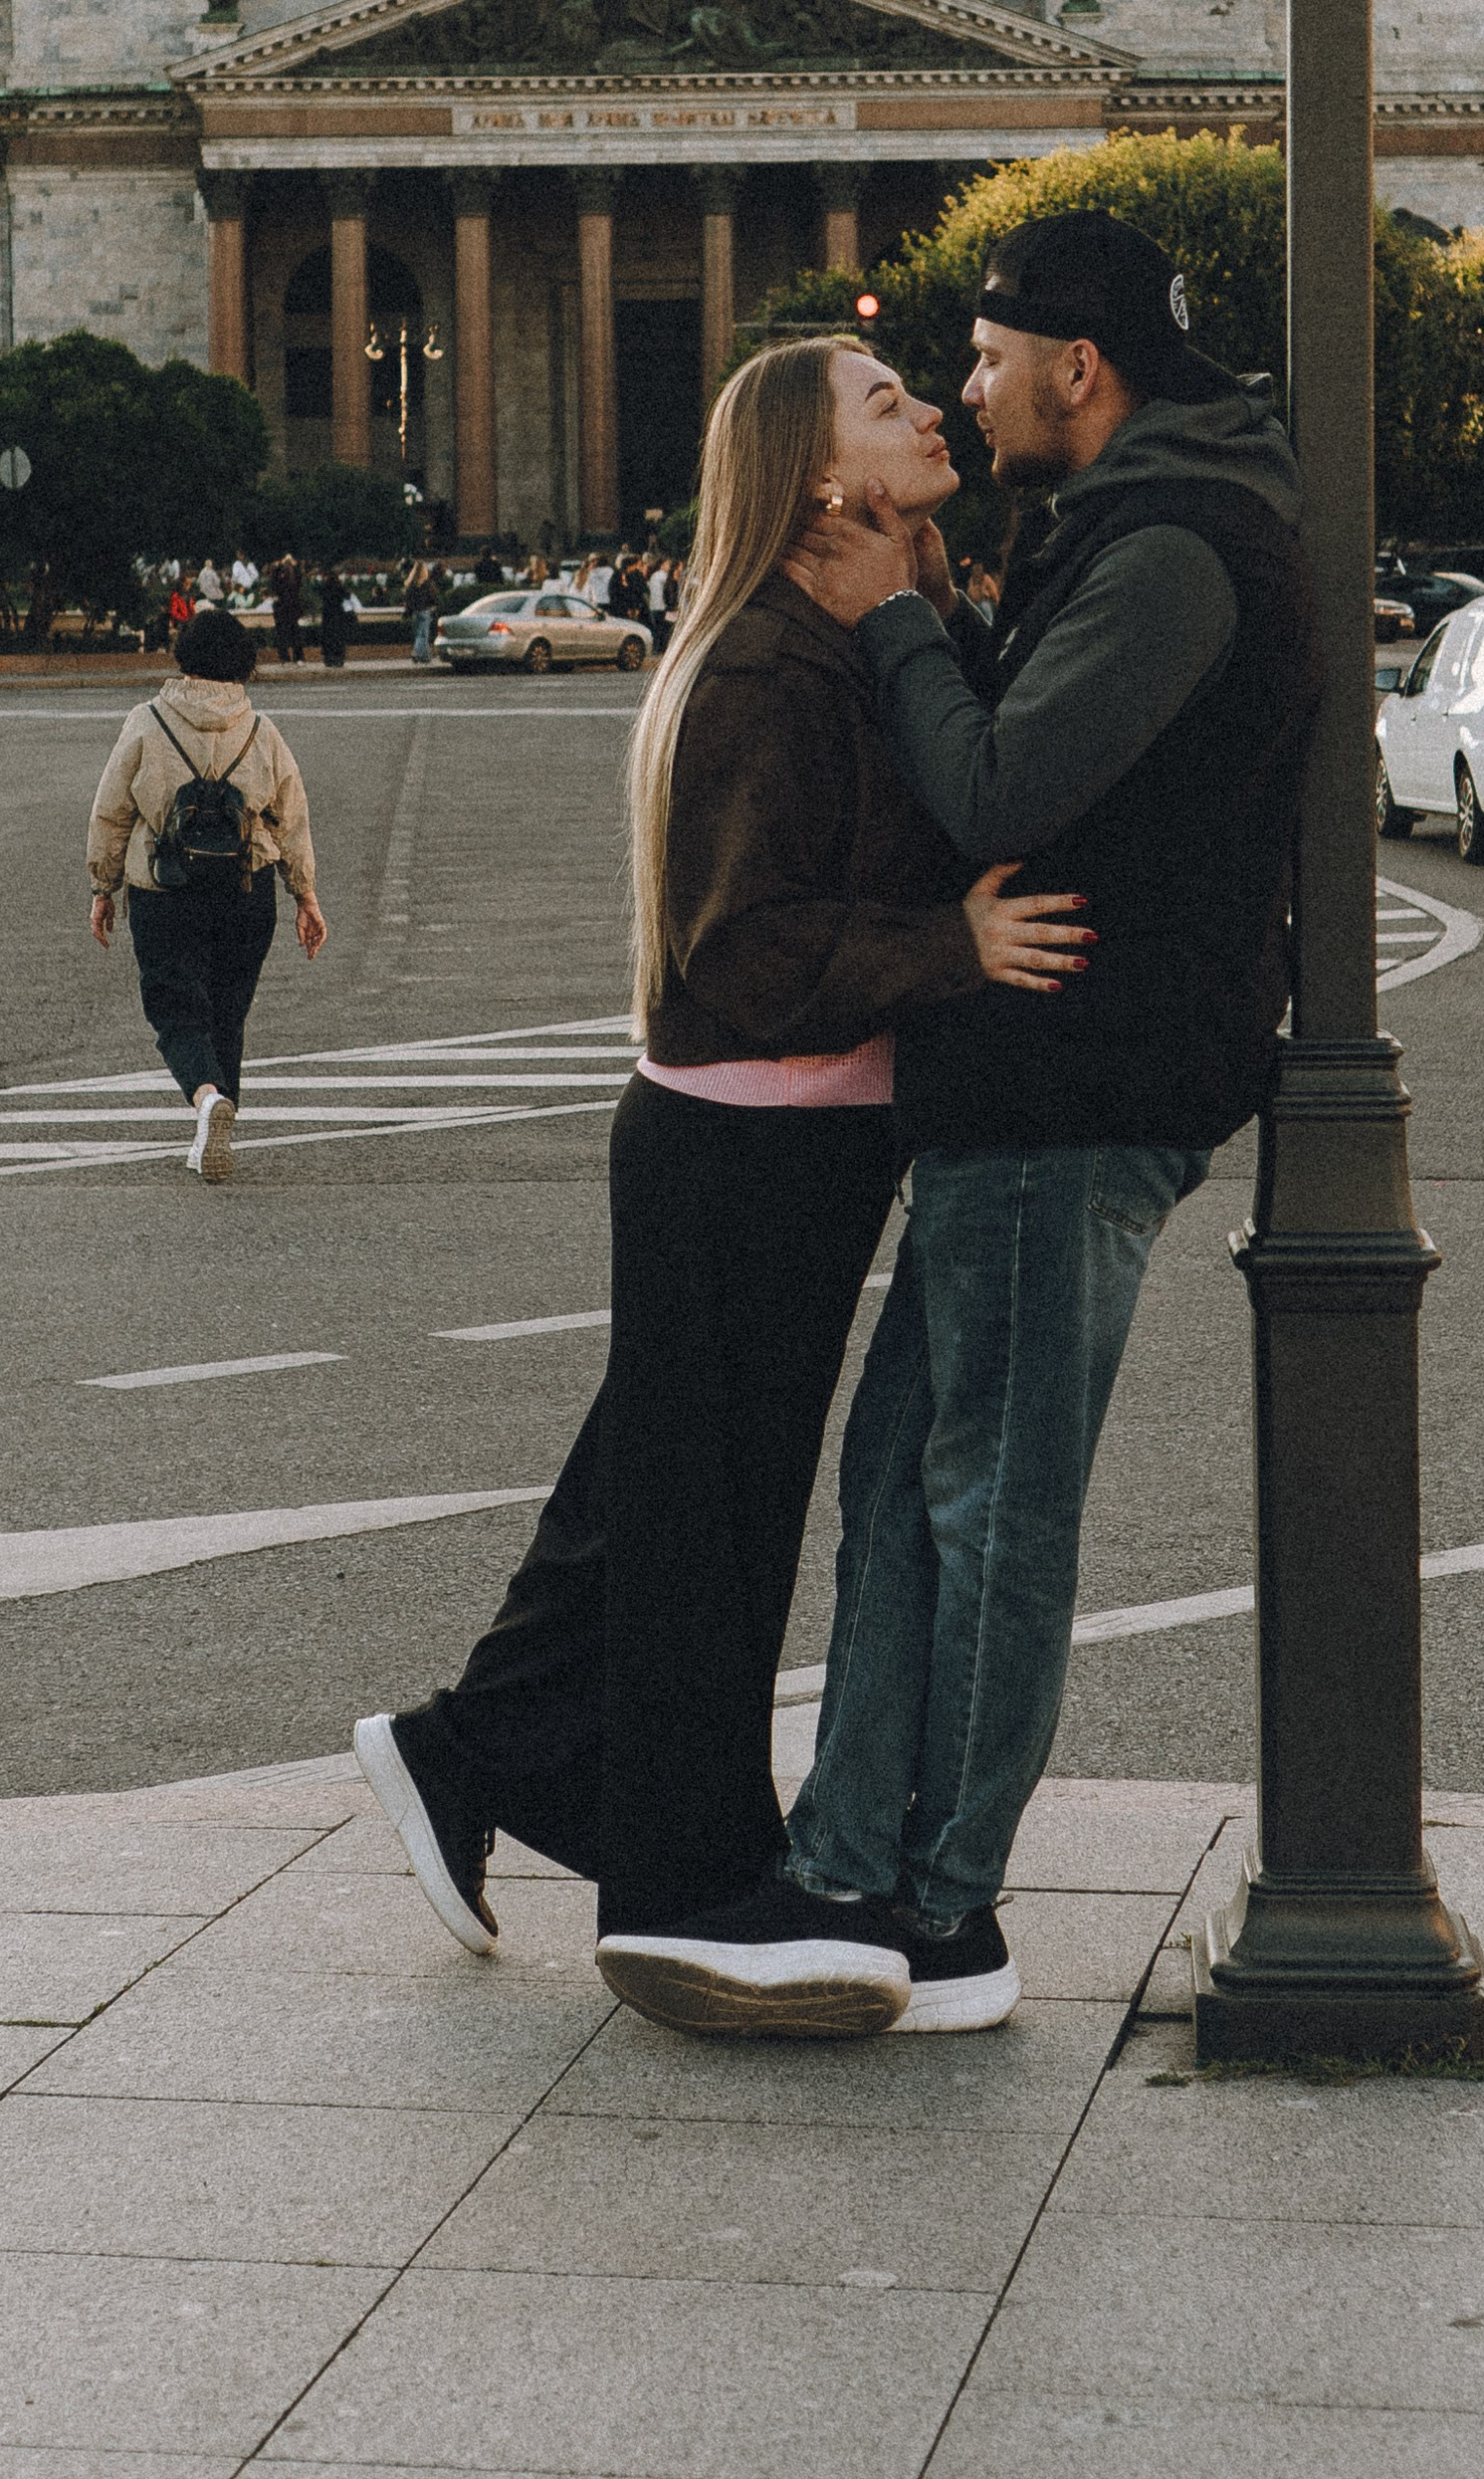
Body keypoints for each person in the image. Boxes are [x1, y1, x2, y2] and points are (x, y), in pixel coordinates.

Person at [350, 336, 1084, 2039]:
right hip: (747, 1128)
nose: (928, 412)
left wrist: (927, 611)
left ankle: (462, 1754)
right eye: (887, 405)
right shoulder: (764, 662)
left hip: (790, 1132)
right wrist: (951, 948)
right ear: (819, 478)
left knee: (661, 1491)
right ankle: (681, 1879)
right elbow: (741, 947)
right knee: (709, 1524)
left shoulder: (830, 632)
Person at [781, 209, 1322, 2030]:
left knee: (988, 1506)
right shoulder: (1130, 519)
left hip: (1077, 1083)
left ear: (1079, 370)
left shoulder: (1176, 545)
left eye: (990, 359)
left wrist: (897, 624)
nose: (966, 387)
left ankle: (948, 1913)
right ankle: (844, 1859)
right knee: (902, 1487)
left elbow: (1006, 778)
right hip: (1026, 1081)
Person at [88, 605, 329, 1182]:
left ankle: (205, 1102)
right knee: (229, 1011)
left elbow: (111, 810)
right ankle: (219, 1124)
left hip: (163, 890)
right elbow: (291, 819)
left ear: (183, 656)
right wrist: (306, 896)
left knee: (175, 1009)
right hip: (248, 892)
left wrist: (103, 886)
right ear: (243, 663)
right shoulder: (261, 731)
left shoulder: (146, 722)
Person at [270, 554, 305, 668]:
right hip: (283, 608)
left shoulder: (293, 578)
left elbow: (299, 581)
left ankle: (295, 658)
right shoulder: (280, 577)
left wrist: (295, 566)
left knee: (292, 633)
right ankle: (288, 658)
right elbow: (274, 582)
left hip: (289, 608)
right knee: (285, 634)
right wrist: (279, 566)